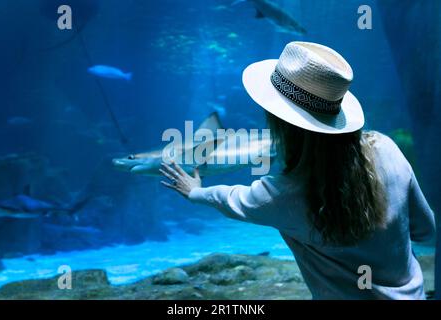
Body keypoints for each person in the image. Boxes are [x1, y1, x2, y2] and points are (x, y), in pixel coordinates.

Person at [159, 42, 436, 300]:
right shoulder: (386, 149)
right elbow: (425, 230)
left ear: (280, 123)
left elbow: (229, 198)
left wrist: (195, 191)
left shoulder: (282, 196)